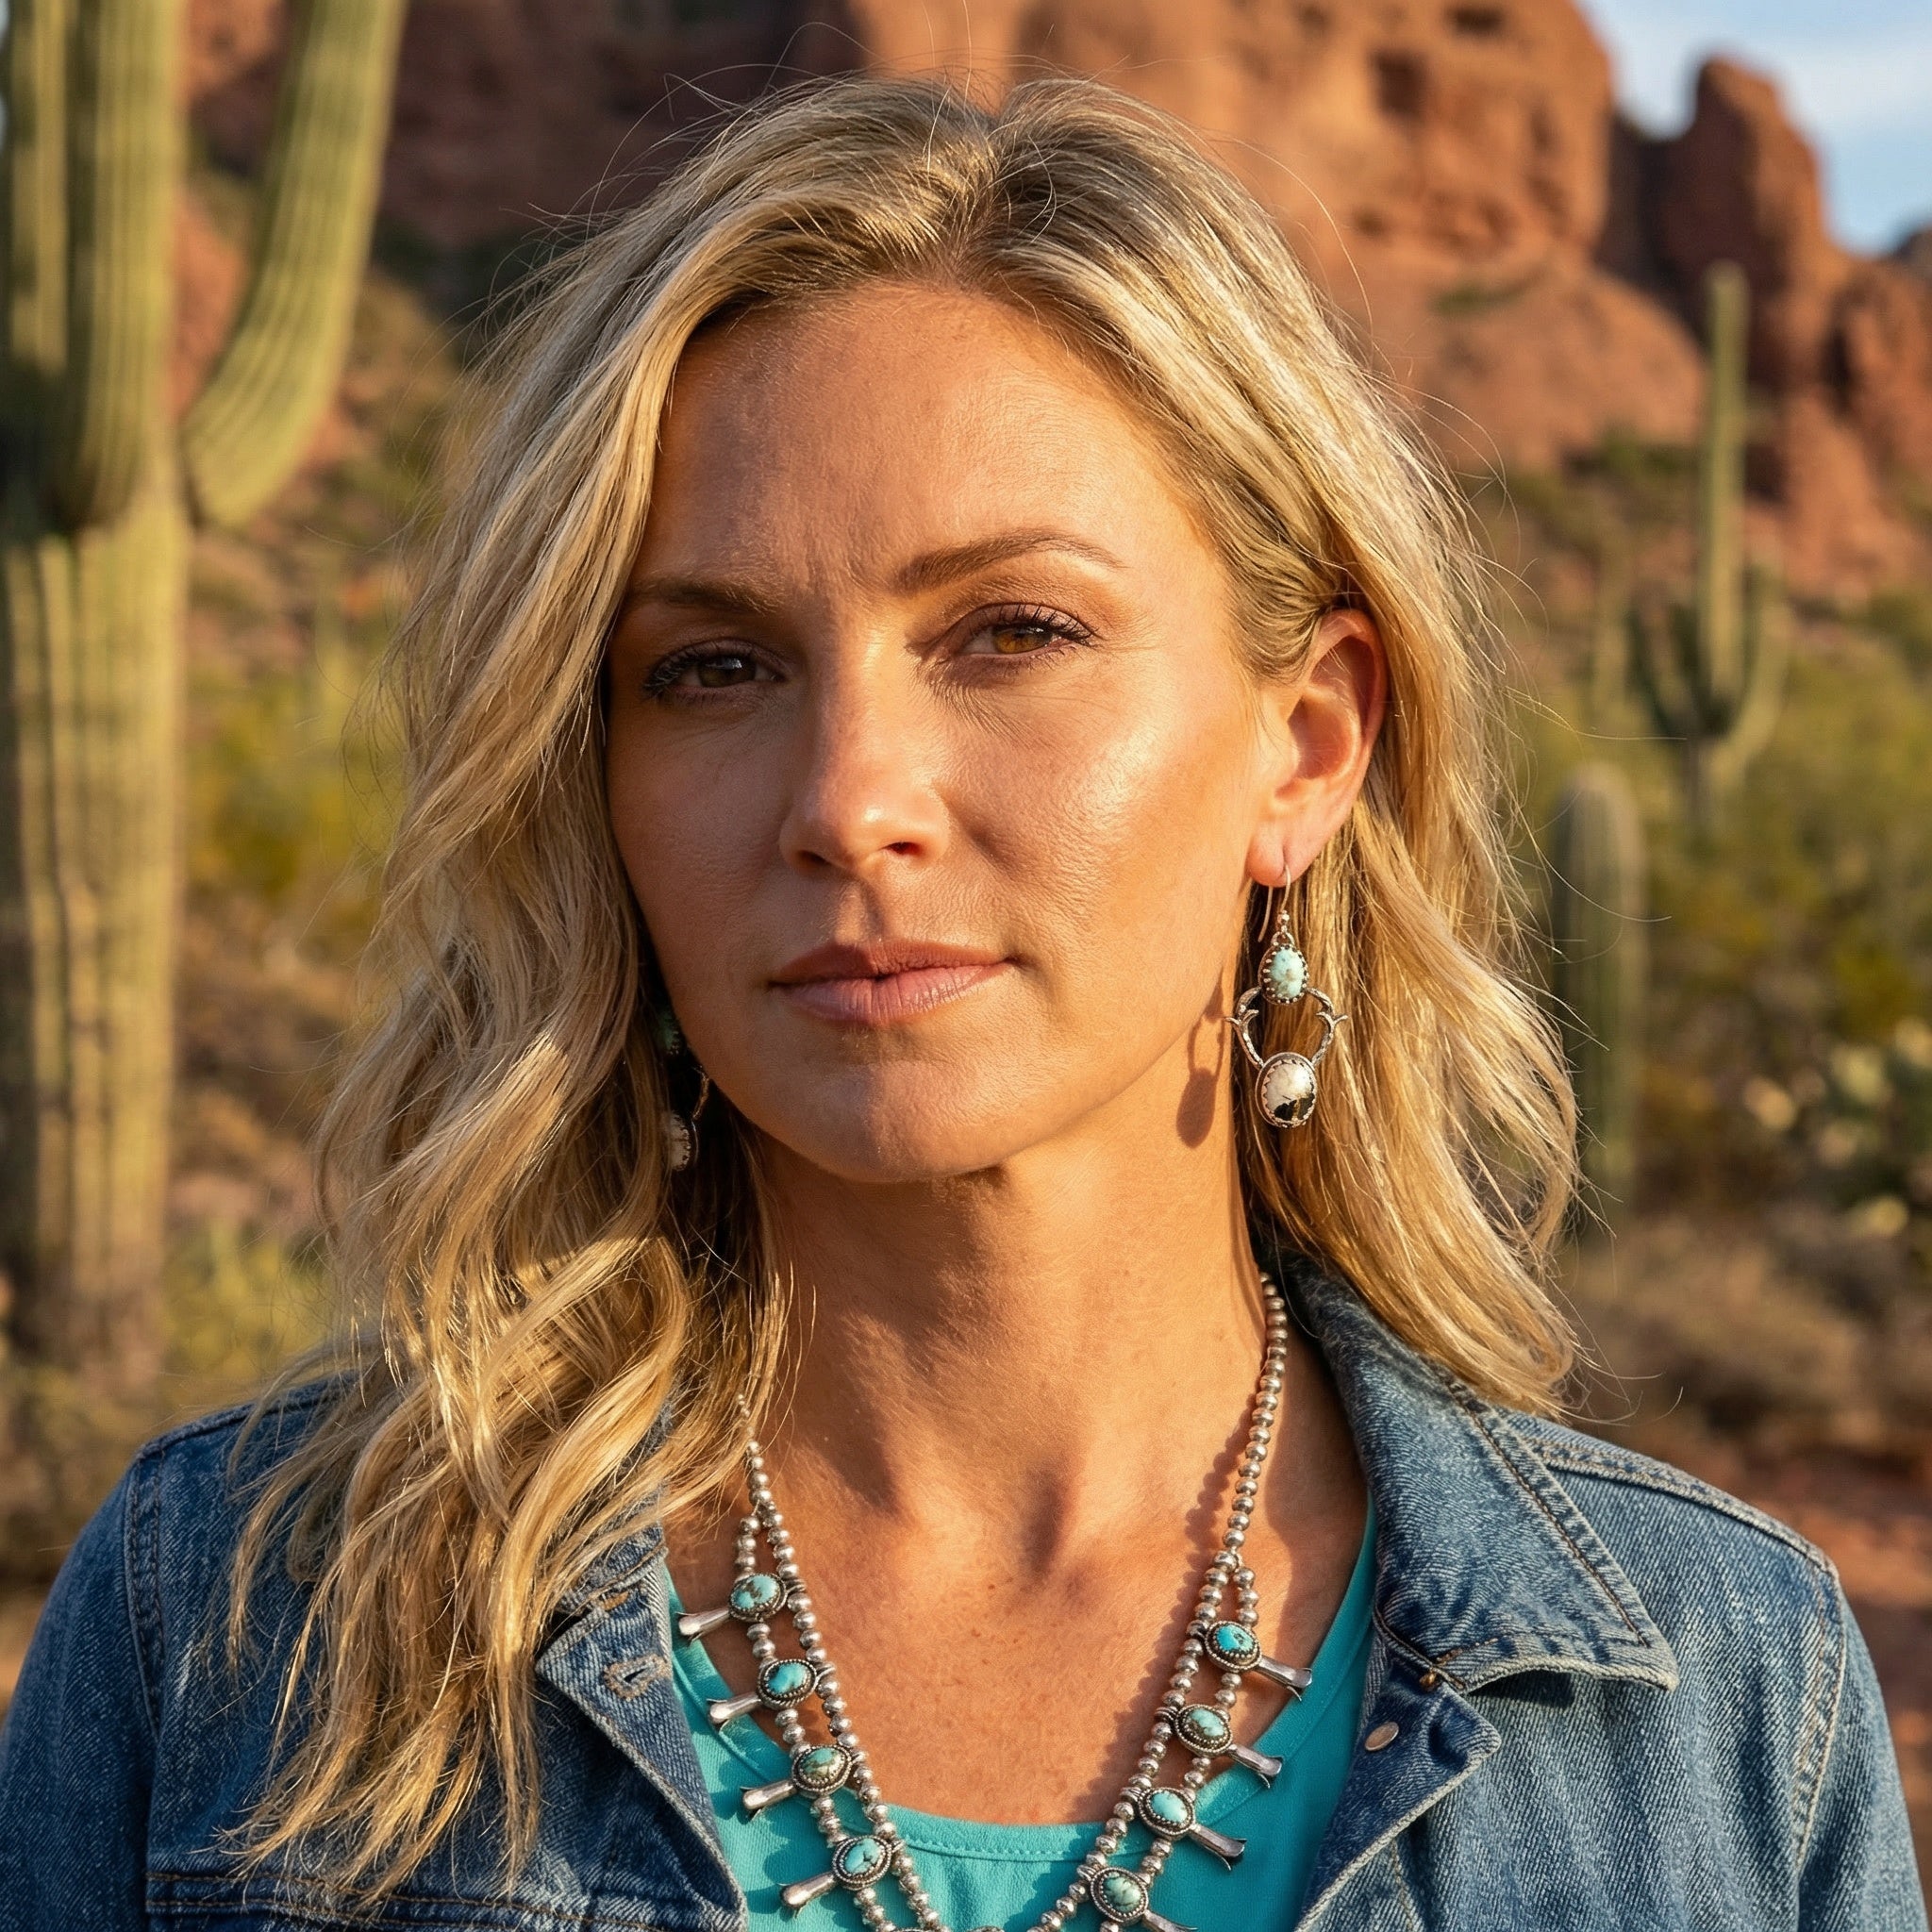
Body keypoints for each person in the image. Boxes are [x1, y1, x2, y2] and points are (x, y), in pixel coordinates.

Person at [0, 74, 1920, 1932]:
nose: (846, 800)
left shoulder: (1715, 1700)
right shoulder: (239, 1629)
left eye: (1012, 633)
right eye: (714, 667)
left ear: (1308, 742)